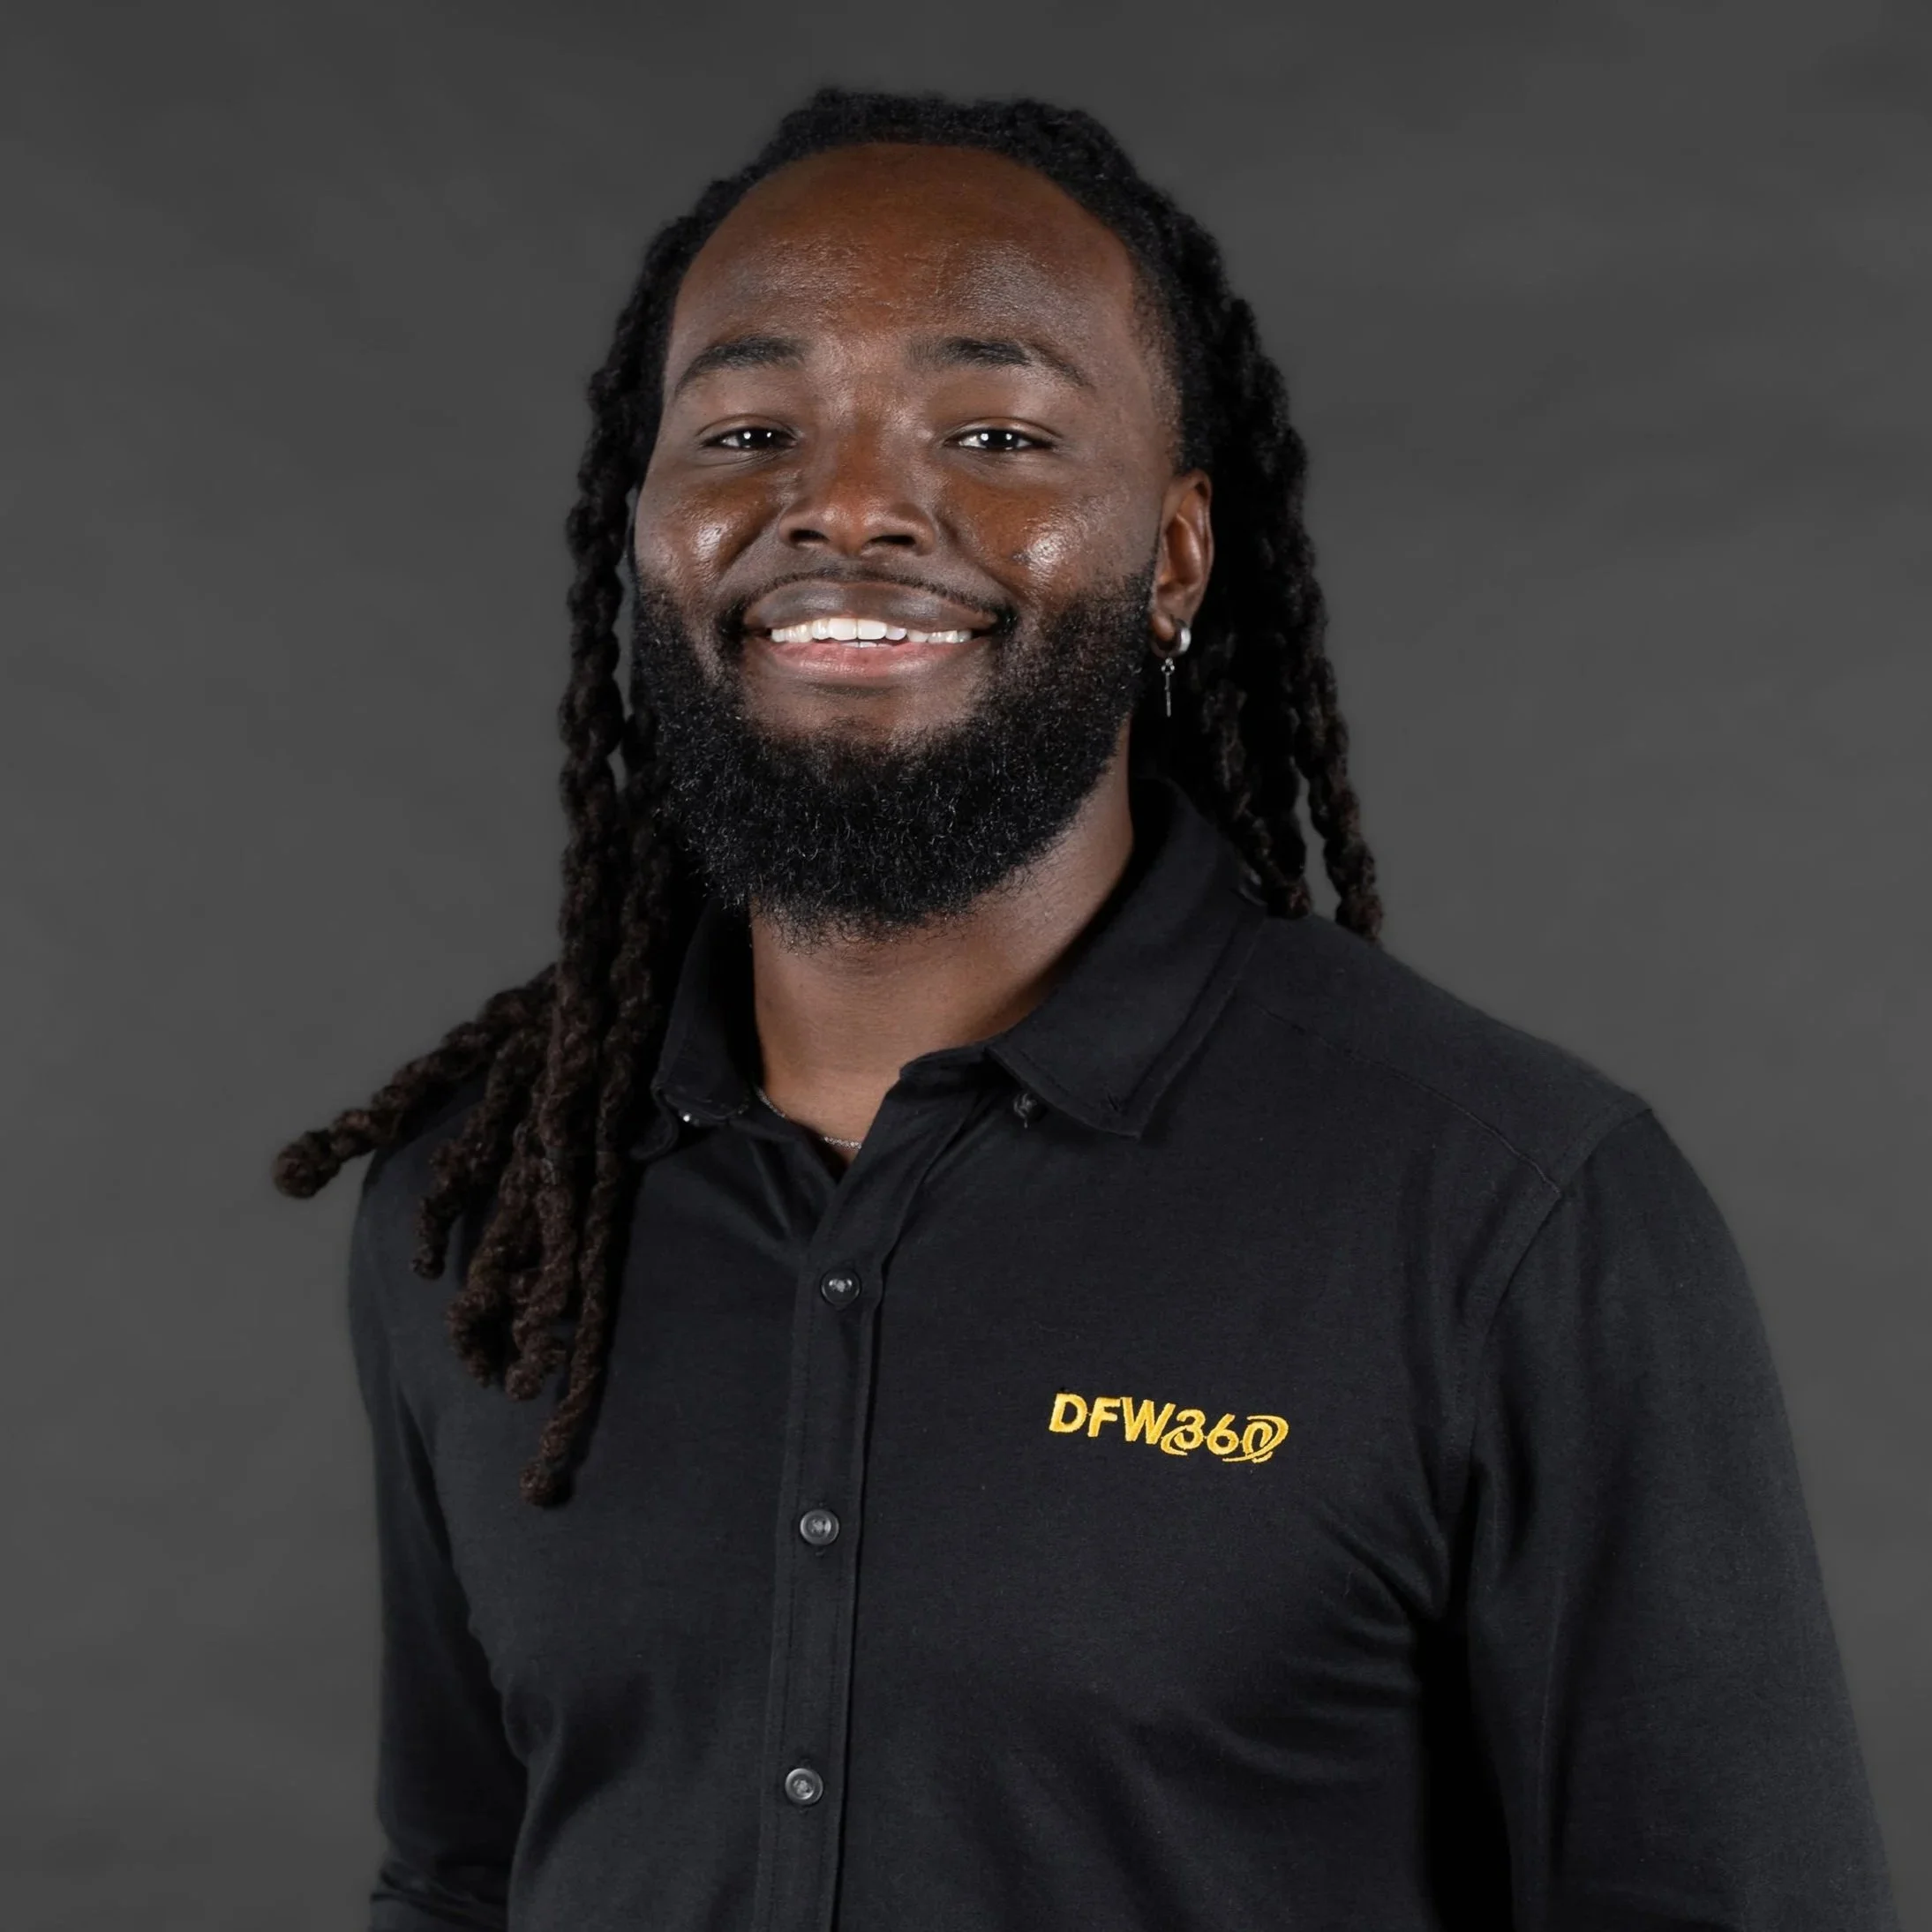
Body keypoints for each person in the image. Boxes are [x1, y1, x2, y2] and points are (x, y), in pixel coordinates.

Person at [276, 86, 1898, 1932]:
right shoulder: (481, 1204)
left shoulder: (1506, 1210)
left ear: (1176, 558)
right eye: (745, 424)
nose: (852, 505)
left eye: (991, 427)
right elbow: (465, 1871)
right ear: (640, 525)